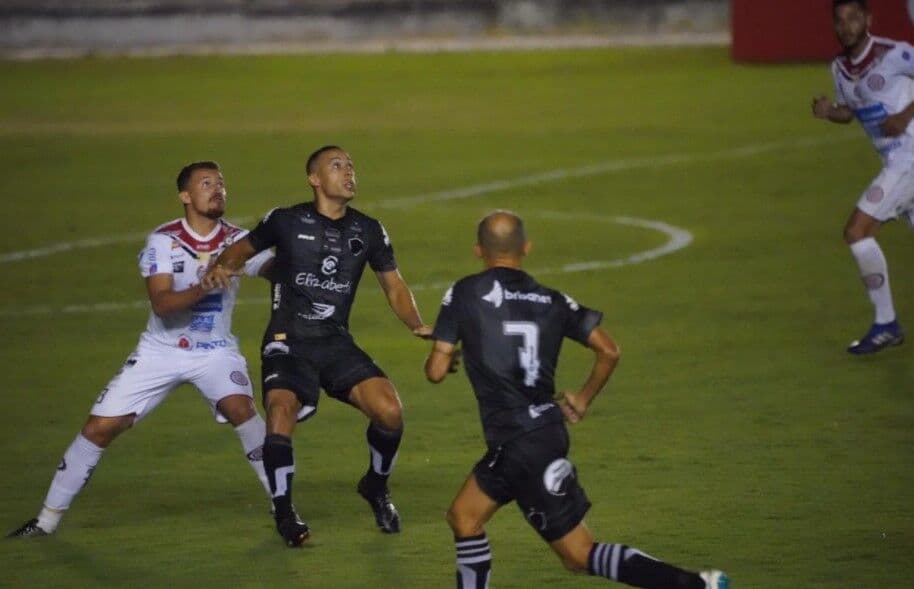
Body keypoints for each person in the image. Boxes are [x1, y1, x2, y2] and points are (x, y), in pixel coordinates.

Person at [424, 210, 729, 589]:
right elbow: (609, 351)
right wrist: (582, 399)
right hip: (537, 433)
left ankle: (694, 584)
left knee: (578, 555)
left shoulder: (465, 292)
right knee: (464, 517)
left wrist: (448, 356)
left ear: (477, 250)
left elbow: (435, 371)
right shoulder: (553, 300)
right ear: (526, 248)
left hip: (520, 443)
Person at [7, 161, 276, 538]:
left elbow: (276, 270)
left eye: (221, 183)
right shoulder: (164, 240)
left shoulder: (238, 240)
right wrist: (205, 284)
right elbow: (163, 304)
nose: (217, 190)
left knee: (242, 410)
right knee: (98, 428)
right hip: (159, 352)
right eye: (206, 184)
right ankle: (45, 521)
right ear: (185, 196)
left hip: (215, 351)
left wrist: (293, 245)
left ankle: (283, 505)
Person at [203, 145, 431, 547]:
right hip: (287, 341)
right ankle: (284, 511)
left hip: (334, 341)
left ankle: (376, 485)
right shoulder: (286, 220)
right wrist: (220, 267)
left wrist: (417, 324)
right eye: (337, 165)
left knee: (390, 411)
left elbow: (393, 285)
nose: (348, 172)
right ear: (314, 179)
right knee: (280, 411)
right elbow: (240, 249)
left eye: (351, 166)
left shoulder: (368, 230)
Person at [812, 0, 914, 354]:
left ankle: (886, 324)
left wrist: (904, 115)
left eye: (854, 18)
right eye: (840, 20)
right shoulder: (840, 68)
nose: (847, 26)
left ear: (868, 20)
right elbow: (851, 112)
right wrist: (829, 112)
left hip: (909, 158)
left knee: (856, 231)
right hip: (896, 162)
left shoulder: (893, 53)